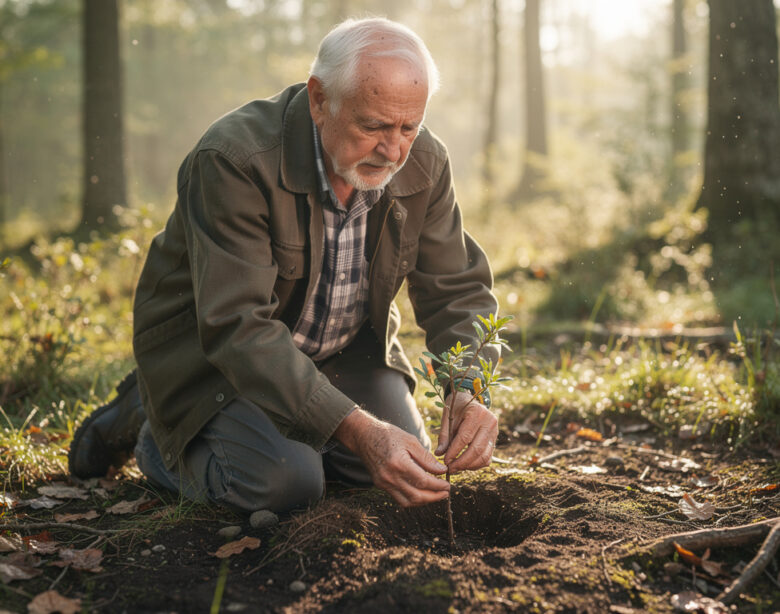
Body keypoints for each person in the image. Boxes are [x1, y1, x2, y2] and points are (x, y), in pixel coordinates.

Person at [68, 17, 500, 513]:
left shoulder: (424, 161)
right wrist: (358, 428)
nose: (394, 149)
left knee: (390, 471)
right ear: (319, 100)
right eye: (373, 125)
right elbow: (239, 328)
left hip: (341, 354)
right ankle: (157, 433)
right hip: (217, 361)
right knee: (286, 487)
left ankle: (290, 431)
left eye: (409, 126)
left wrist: (467, 387)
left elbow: (456, 289)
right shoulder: (234, 159)